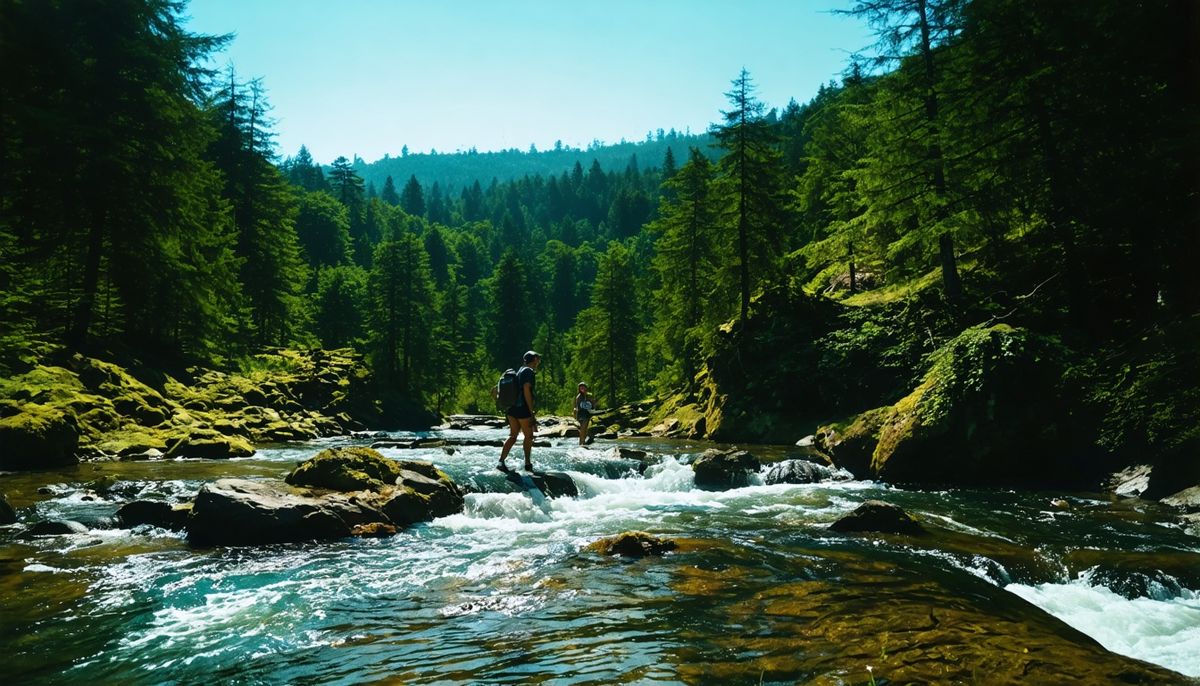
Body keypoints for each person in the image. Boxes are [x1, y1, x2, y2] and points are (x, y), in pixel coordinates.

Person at [499, 350, 540, 472]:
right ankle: (527, 463)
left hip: (511, 408)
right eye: (538, 358)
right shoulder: (528, 371)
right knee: (529, 436)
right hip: (522, 409)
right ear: (534, 359)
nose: (539, 361)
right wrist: (531, 411)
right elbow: (526, 389)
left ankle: (501, 461)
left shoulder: (520, 370)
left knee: (513, 435)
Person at [573, 382, 595, 446]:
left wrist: (593, 403)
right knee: (582, 428)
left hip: (587, 413)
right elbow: (578, 406)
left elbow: (592, 403)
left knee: (585, 428)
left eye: (583, 386)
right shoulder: (579, 397)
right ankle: (581, 442)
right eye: (581, 387)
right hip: (581, 413)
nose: (582, 388)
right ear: (579, 388)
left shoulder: (588, 395)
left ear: (585, 387)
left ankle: (583, 442)